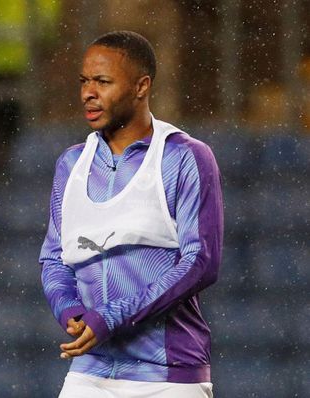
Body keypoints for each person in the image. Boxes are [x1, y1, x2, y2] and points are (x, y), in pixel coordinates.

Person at [39, 31, 223, 398]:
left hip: (168, 374)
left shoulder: (185, 158)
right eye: (84, 81)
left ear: (142, 86)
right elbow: (53, 258)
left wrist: (113, 316)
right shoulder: (71, 164)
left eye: (102, 82)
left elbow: (202, 261)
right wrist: (69, 308)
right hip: (89, 372)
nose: (87, 93)